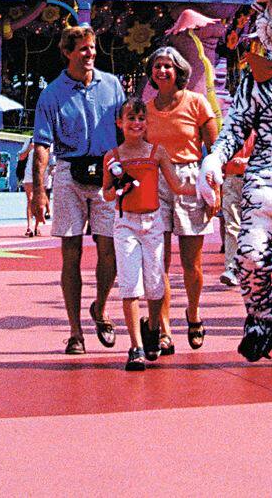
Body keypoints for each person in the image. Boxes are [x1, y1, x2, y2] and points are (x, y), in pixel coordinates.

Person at [30, 24, 125, 354]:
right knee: (70, 253)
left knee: (108, 249)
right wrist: (39, 190)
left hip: (106, 171)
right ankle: (75, 332)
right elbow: (42, 144)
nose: (90, 54)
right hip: (69, 172)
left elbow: (128, 132)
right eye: (83, 49)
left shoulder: (112, 86)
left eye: (93, 48)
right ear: (68, 52)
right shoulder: (52, 93)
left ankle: (100, 306)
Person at [143, 46, 218, 352]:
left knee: (192, 262)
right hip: (155, 180)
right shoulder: (146, 108)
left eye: (168, 66)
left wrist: (216, 189)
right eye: (157, 66)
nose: (162, 71)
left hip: (189, 178)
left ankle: (194, 313)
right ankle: (164, 328)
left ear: (179, 72)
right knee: (159, 260)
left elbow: (215, 148)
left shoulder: (197, 103)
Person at [102, 99, 182, 372]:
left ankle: (153, 327)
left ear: (147, 123)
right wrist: (118, 187)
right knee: (130, 284)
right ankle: (135, 346)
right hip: (125, 224)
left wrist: (206, 186)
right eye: (130, 119)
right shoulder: (112, 156)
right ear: (120, 123)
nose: (136, 124)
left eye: (140, 118)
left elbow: (176, 185)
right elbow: (107, 193)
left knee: (155, 282)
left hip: (153, 223)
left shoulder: (157, 153)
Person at [217, 131, 252, 287]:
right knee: (232, 225)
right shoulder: (229, 130)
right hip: (231, 179)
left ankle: (255, 268)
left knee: (255, 227)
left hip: (254, 180)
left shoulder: (264, 127)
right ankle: (232, 269)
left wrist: (246, 161)